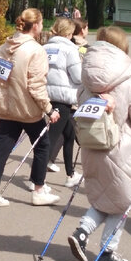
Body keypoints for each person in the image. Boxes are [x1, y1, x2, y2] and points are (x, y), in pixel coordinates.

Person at [67, 26, 131, 261]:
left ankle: (82, 232)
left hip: (91, 145)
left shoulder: (86, 78)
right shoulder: (127, 78)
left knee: (106, 198)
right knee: (123, 201)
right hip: (120, 149)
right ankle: (107, 252)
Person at [0, 8, 60, 208]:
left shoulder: (5, 47)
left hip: (7, 108)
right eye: (41, 23)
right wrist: (49, 109)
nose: (43, 27)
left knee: (2, 149)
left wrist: (0, 100)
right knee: (43, 146)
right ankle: (39, 190)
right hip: (28, 110)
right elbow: (36, 85)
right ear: (35, 26)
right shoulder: (35, 50)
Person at [43, 16, 83, 188]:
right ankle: (36, 179)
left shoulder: (45, 47)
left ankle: (70, 174)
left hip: (49, 94)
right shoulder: (70, 49)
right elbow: (78, 76)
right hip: (64, 97)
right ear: (68, 33)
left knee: (69, 135)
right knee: (51, 139)